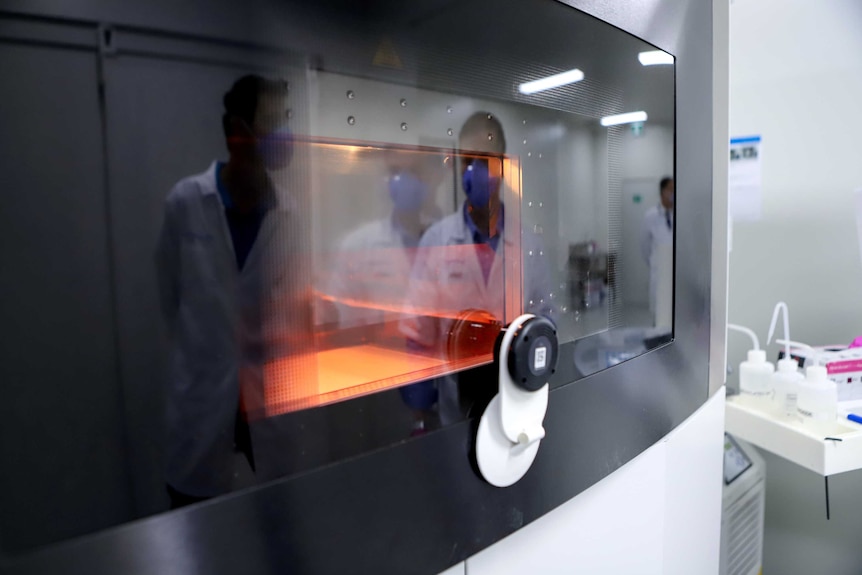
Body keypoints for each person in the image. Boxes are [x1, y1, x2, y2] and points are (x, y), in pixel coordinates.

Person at [155, 75, 296, 508]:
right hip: (201, 414)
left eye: (284, 118)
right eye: (273, 120)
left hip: (268, 421)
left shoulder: (289, 213)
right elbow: (169, 295)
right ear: (239, 129)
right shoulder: (186, 201)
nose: (285, 133)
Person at [401, 112, 554, 422]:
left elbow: (546, 318)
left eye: (485, 161)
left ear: (502, 165)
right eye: (467, 161)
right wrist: (419, 399)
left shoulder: (529, 244)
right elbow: (418, 328)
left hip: (513, 401)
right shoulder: (437, 240)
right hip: (454, 407)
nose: (475, 171)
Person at [640, 176, 674, 319]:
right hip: (659, 272)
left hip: (676, 273)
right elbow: (644, 246)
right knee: (659, 315)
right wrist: (654, 263)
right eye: (670, 189)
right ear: (662, 192)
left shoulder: (681, 214)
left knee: (674, 314)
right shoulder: (650, 216)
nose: (673, 193)